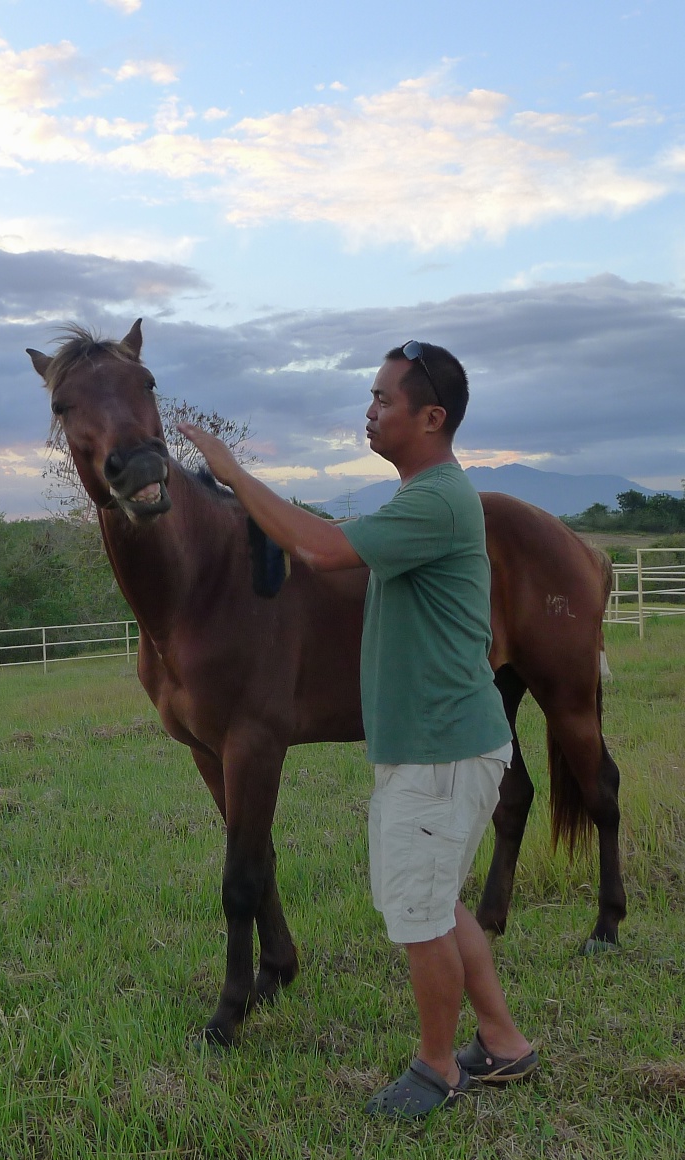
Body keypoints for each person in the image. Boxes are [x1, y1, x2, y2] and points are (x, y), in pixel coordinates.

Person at [179, 339, 537, 1120]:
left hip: (442, 750)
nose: (368, 412)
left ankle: (436, 1069)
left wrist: (232, 474)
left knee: (419, 917)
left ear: (431, 417)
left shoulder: (437, 500)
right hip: (440, 743)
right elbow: (324, 538)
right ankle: (503, 1042)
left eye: (382, 399)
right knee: (439, 903)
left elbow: (320, 548)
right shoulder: (423, 499)